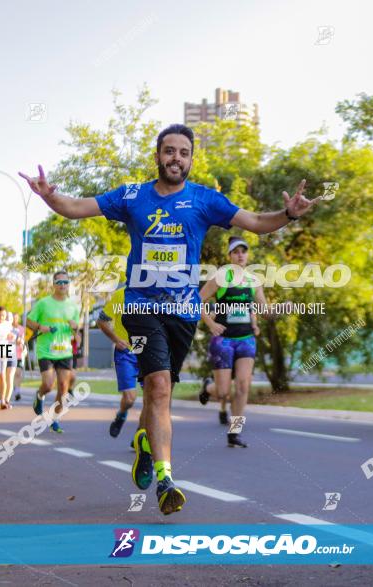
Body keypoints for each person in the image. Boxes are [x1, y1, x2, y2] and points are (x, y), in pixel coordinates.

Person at [20, 123, 318, 515]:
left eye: (184, 152)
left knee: (159, 393)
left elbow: (256, 222)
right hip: (143, 308)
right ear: (158, 155)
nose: (176, 158)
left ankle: (145, 444)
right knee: (158, 388)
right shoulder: (132, 196)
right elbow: (78, 208)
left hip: (183, 314)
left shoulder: (204, 200)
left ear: (190, 160)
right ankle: (166, 480)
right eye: (169, 151)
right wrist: (51, 196)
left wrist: (288, 214)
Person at [199, 236, 283, 448]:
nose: (240, 255)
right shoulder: (220, 277)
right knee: (223, 393)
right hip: (223, 340)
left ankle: (235, 432)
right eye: (236, 252)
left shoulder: (254, 281)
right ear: (230, 255)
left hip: (246, 339)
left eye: (243, 251)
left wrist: (282, 309)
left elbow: (264, 311)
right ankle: (208, 387)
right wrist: (210, 324)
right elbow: (197, 301)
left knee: (243, 387)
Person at [26, 271, 80, 433]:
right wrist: (39, 327)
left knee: (63, 388)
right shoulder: (43, 303)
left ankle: (54, 419)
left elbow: (76, 330)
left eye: (65, 282)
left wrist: (75, 327)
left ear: (69, 284)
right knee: (49, 385)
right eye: (59, 282)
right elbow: (29, 320)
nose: (63, 285)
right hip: (46, 351)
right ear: (54, 284)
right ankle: (39, 396)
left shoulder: (73, 306)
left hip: (65, 351)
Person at [98, 284, 142, 441]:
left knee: (153, 398)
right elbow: (102, 321)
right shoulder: (120, 295)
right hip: (126, 352)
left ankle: (140, 437)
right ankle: (121, 415)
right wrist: (116, 339)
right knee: (130, 398)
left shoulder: (156, 295)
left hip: (149, 351)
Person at [12, 312, 27, 402]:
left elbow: (24, 340)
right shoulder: (8, 328)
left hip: (19, 354)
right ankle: (12, 388)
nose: (15, 319)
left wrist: (21, 342)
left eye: (16, 318)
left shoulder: (22, 329)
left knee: (18, 373)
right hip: (9, 354)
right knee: (11, 374)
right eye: (13, 318)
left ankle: (17, 392)